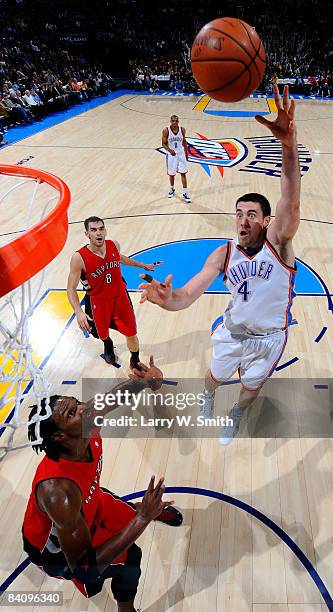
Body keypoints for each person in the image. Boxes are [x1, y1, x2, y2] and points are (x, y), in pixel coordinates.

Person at [140, 85, 300, 445]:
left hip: (270, 339)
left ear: (267, 220)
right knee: (214, 377)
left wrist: (288, 145)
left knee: (250, 388)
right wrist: (168, 299)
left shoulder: (280, 244)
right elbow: (186, 295)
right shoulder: (223, 254)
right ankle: (209, 397)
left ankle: (237, 413)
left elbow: (290, 198)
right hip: (232, 332)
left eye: (251, 215)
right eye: (238, 214)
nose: (242, 221)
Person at [22, 357, 182, 611]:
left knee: (124, 510)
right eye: (73, 412)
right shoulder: (58, 493)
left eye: (78, 404)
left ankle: (146, 510)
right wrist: (141, 519)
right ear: (59, 435)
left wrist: (146, 381)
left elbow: (113, 397)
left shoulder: (86, 423)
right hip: (56, 549)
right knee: (131, 558)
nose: (85, 409)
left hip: (89, 501)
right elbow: (84, 567)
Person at [67, 216, 162, 368]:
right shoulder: (79, 258)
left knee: (131, 332)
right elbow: (71, 288)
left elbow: (121, 258)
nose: (98, 233)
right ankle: (108, 343)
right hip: (98, 301)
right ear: (87, 234)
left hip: (121, 298)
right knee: (99, 333)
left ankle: (135, 360)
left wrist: (143, 265)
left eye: (101, 229)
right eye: (93, 230)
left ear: (105, 230)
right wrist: (78, 311)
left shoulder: (114, 245)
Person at [162, 115, 191, 204]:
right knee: (172, 174)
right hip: (171, 154)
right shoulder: (166, 130)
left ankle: (185, 192)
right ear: (170, 121)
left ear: (178, 121)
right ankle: (172, 189)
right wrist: (170, 151)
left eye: (176, 121)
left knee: (183, 173)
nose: (174, 122)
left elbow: (184, 142)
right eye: (173, 121)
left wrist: (186, 153)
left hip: (181, 153)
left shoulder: (182, 130)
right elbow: (163, 144)